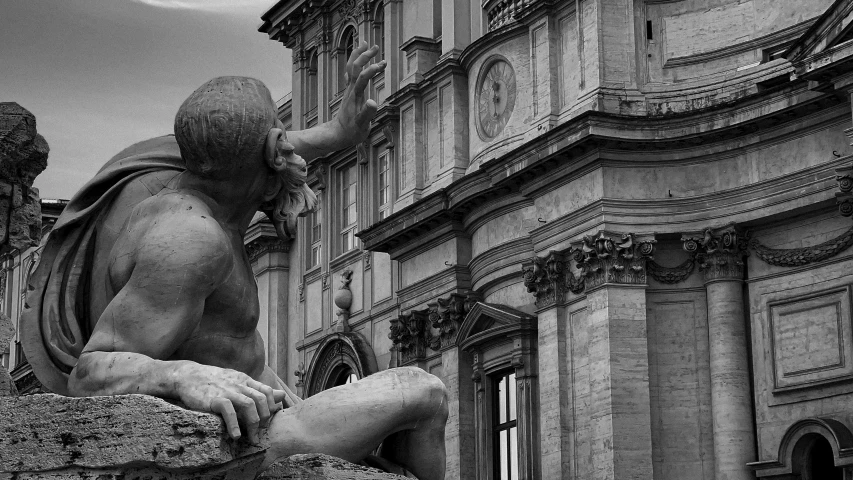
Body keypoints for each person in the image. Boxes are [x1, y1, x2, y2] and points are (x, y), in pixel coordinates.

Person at [21, 43, 447, 479]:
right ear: (272, 156)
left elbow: (265, 146)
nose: (294, 151)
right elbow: (90, 372)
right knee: (423, 391)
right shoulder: (192, 239)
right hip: (232, 444)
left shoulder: (192, 171)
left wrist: (338, 133)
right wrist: (184, 376)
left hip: (258, 413)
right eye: (283, 137)